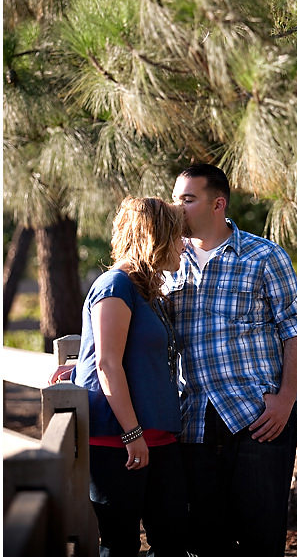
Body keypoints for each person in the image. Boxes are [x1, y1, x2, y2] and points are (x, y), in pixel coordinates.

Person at [166, 164, 297, 556]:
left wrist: (285, 400)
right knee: (204, 542)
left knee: (259, 541)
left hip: (258, 419)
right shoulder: (169, 264)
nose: (176, 207)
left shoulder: (264, 257)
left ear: (218, 203)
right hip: (193, 422)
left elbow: (295, 331)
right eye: (176, 198)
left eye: (187, 199)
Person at [71, 197, 188, 556]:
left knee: (171, 541)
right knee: (120, 544)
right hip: (119, 441)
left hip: (160, 436)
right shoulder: (115, 285)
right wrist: (132, 434)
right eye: (178, 235)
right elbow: (107, 363)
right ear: (156, 237)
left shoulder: (147, 290)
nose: (184, 244)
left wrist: (77, 365)